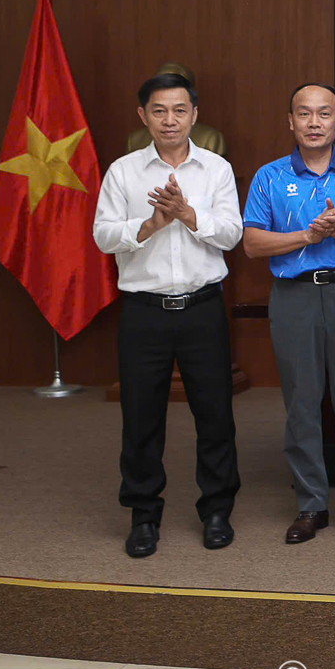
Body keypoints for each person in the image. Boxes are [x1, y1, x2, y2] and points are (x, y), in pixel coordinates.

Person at [93, 72, 243, 558]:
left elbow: (231, 234)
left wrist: (187, 216)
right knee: (140, 418)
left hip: (202, 308)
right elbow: (102, 235)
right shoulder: (123, 173)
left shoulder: (216, 169)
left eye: (180, 110)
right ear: (143, 117)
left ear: (195, 115)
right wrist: (151, 224)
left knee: (215, 414)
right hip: (145, 312)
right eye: (159, 111)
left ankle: (217, 510)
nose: (170, 120)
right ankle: (143, 516)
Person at [242, 84, 335, 544]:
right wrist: (307, 236)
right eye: (305, 114)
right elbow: (253, 243)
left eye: (325, 114)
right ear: (291, 121)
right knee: (302, 402)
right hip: (294, 296)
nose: (315, 122)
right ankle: (310, 504)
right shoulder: (268, 177)